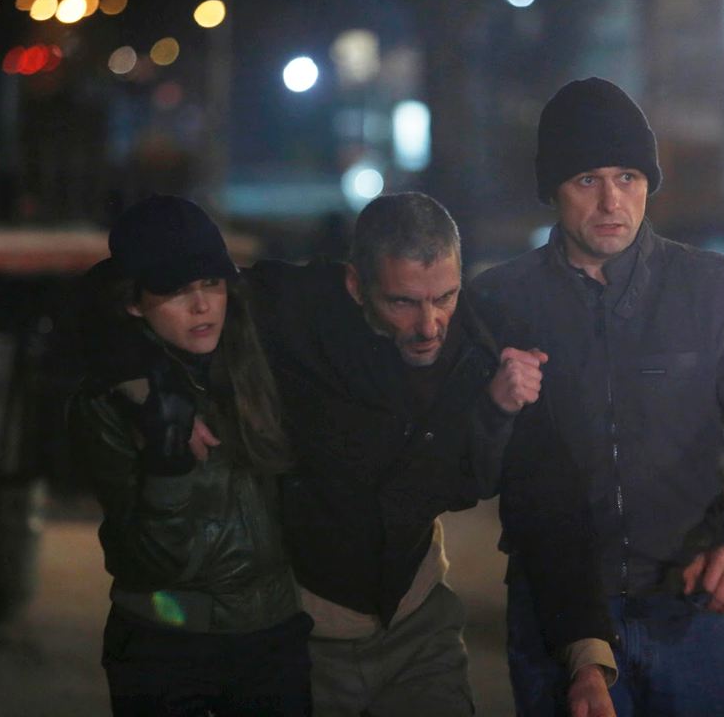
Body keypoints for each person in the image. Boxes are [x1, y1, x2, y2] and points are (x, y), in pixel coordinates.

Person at [471, 77, 724, 716]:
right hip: (555, 618)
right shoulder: (500, 301)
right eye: (588, 180)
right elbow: (472, 472)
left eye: (628, 177)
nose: (611, 201)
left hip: (689, 612)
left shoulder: (711, 289)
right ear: (552, 188)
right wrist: (494, 408)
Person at [244, 191, 615, 716]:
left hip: (418, 626)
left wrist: (587, 660)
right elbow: (169, 292)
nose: (429, 325)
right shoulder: (294, 310)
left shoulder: (488, 348)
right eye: (403, 302)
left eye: (445, 296)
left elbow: (548, 495)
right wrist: (177, 394)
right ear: (356, 285)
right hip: (300, 634)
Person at [68, 195, 313, 716]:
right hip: (165, 645)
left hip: (273, 637)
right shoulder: (110, 401)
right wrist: (169, 464)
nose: (202, 305)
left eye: (211, 283)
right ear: (134, 303)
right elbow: (155, 562)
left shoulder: (256, 352)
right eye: (177, 291)